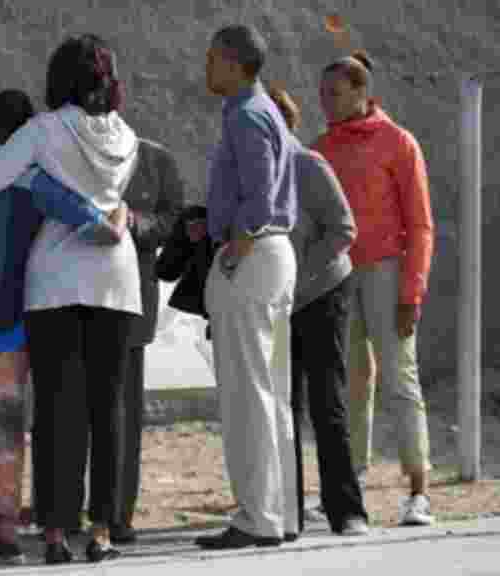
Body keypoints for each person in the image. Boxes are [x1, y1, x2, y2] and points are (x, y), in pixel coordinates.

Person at [0, 34, 141, 565]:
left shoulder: (42, 130)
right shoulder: (128, 137)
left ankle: (55, 532)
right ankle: (102, 530)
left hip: (56, 278)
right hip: (117, 282)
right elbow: (116, 205)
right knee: (109, 409)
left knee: (56, 410)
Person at [314, 50, 436, 526]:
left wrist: (412, 293)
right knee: (351, 383)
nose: (325, 102)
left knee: (400, 380)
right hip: (338, 275)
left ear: (362, 93)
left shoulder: (398, 143)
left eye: (335, 94)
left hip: (387, 273)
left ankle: (418, 492)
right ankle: (348, 486)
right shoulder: (321, 148)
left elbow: (421, 226)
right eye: (322, 94)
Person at [194, 24, 299, 550]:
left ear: (234, 63)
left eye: (213, 58)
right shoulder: (263, 112)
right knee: (270, 392)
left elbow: (257, 194)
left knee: (247, 394)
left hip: (253, 256)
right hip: (272, 255)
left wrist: (235, 244)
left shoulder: (247, 115)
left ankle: (258, 517)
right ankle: (279, 514)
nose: (206, 67)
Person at [267, 86, 369, 537]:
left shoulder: (308, 165)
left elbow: (343, 229)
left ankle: (346, 511)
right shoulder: (251, 171)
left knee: (327, 402)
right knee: (282, 405)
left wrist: (295, 276)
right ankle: (287, 512)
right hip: (277, 300)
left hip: (323, 292)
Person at [72, 138, 185, 544]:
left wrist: (134, 223)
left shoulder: (156, 160)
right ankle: (65, 511)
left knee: (121, 411)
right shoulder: (66, 147)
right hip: (72, 295)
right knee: (67, 408)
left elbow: (172, 220)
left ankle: (117, 513)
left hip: (130, 300)